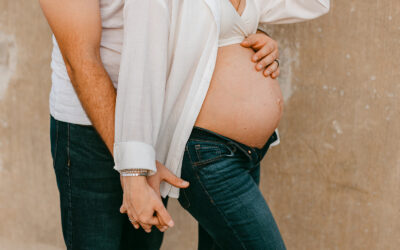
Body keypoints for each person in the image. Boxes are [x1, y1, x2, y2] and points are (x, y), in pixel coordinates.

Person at [39, 0, 282, 249]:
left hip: (154, 122)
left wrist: (248, 35)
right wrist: (134, 165)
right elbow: (81, 62)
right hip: (90, 130)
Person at [114, 0, 330, 249]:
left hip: (246, 154)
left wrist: (258, 37)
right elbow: (140, 70)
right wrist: (133, 173)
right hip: (207, 154)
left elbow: (315, 3)